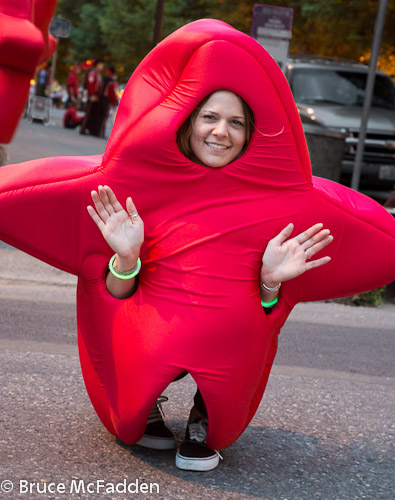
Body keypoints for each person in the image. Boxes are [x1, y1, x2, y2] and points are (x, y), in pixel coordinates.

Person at [87, 90, 333, 471]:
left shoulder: (265, 201)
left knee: (239, 327)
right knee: (139, 327)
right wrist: (127, 257)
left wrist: (269, 282)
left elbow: (264, 316)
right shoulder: (148, 186)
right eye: (210, 118)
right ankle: (143, 398)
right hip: (152, 330)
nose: (222, 131)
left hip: (223, 342)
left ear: (250, 135)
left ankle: (205, 419)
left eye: (236, 123)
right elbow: (116, 301)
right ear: (187, 123)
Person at [80, 58, 105, 136]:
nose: (102, 66)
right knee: (88, 113)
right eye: (101, 65)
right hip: (92, 96)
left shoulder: (98, 74)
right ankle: (83, 128)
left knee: (93, 114)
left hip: (97, 97)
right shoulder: (93, 73)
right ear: (97, 65)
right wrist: (92, 95)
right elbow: (91, 84)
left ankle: (90, 129)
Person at [98, 65, 118, 138]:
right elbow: (112, 93)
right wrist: (114, 102)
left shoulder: (103, 79)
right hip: (107, 99)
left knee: (101, 115)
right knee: (104, 116)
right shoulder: (111, 81)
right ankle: (101, 132)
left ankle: (98, 131)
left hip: (101, 98)